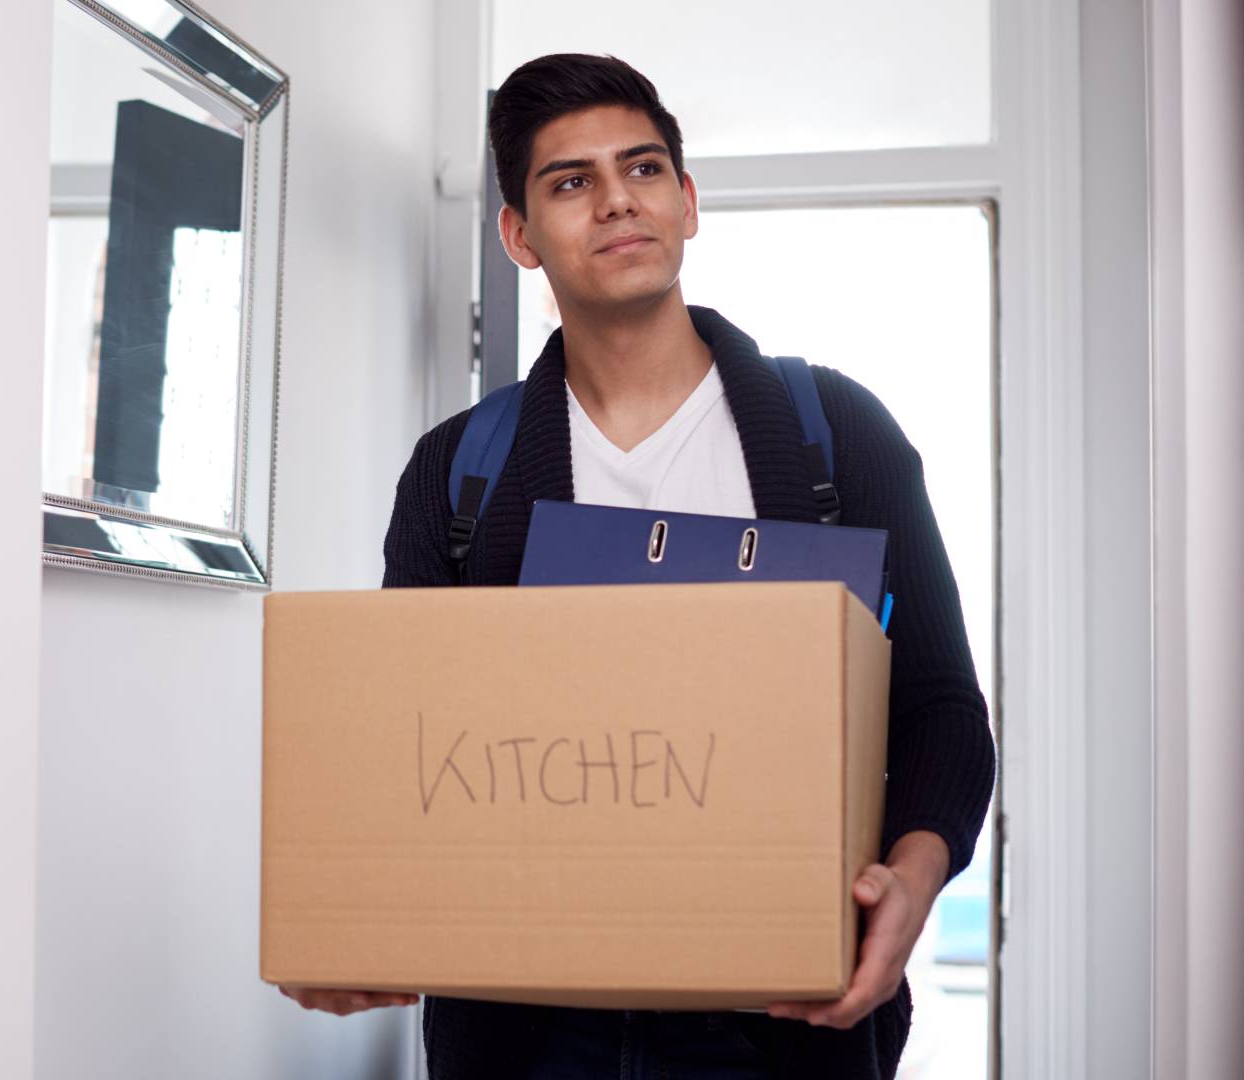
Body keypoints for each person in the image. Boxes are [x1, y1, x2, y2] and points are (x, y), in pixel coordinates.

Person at [278, 53, 996, 1079]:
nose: (617, 201)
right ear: (520, 236)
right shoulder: (457, 474)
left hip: (783, 1024)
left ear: (688, 200)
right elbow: (409, 756)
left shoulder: (833, 436)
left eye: (644, 169)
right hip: (521, 1033)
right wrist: (339, 922)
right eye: (571, 182)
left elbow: (940, 710)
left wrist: (914, 888)